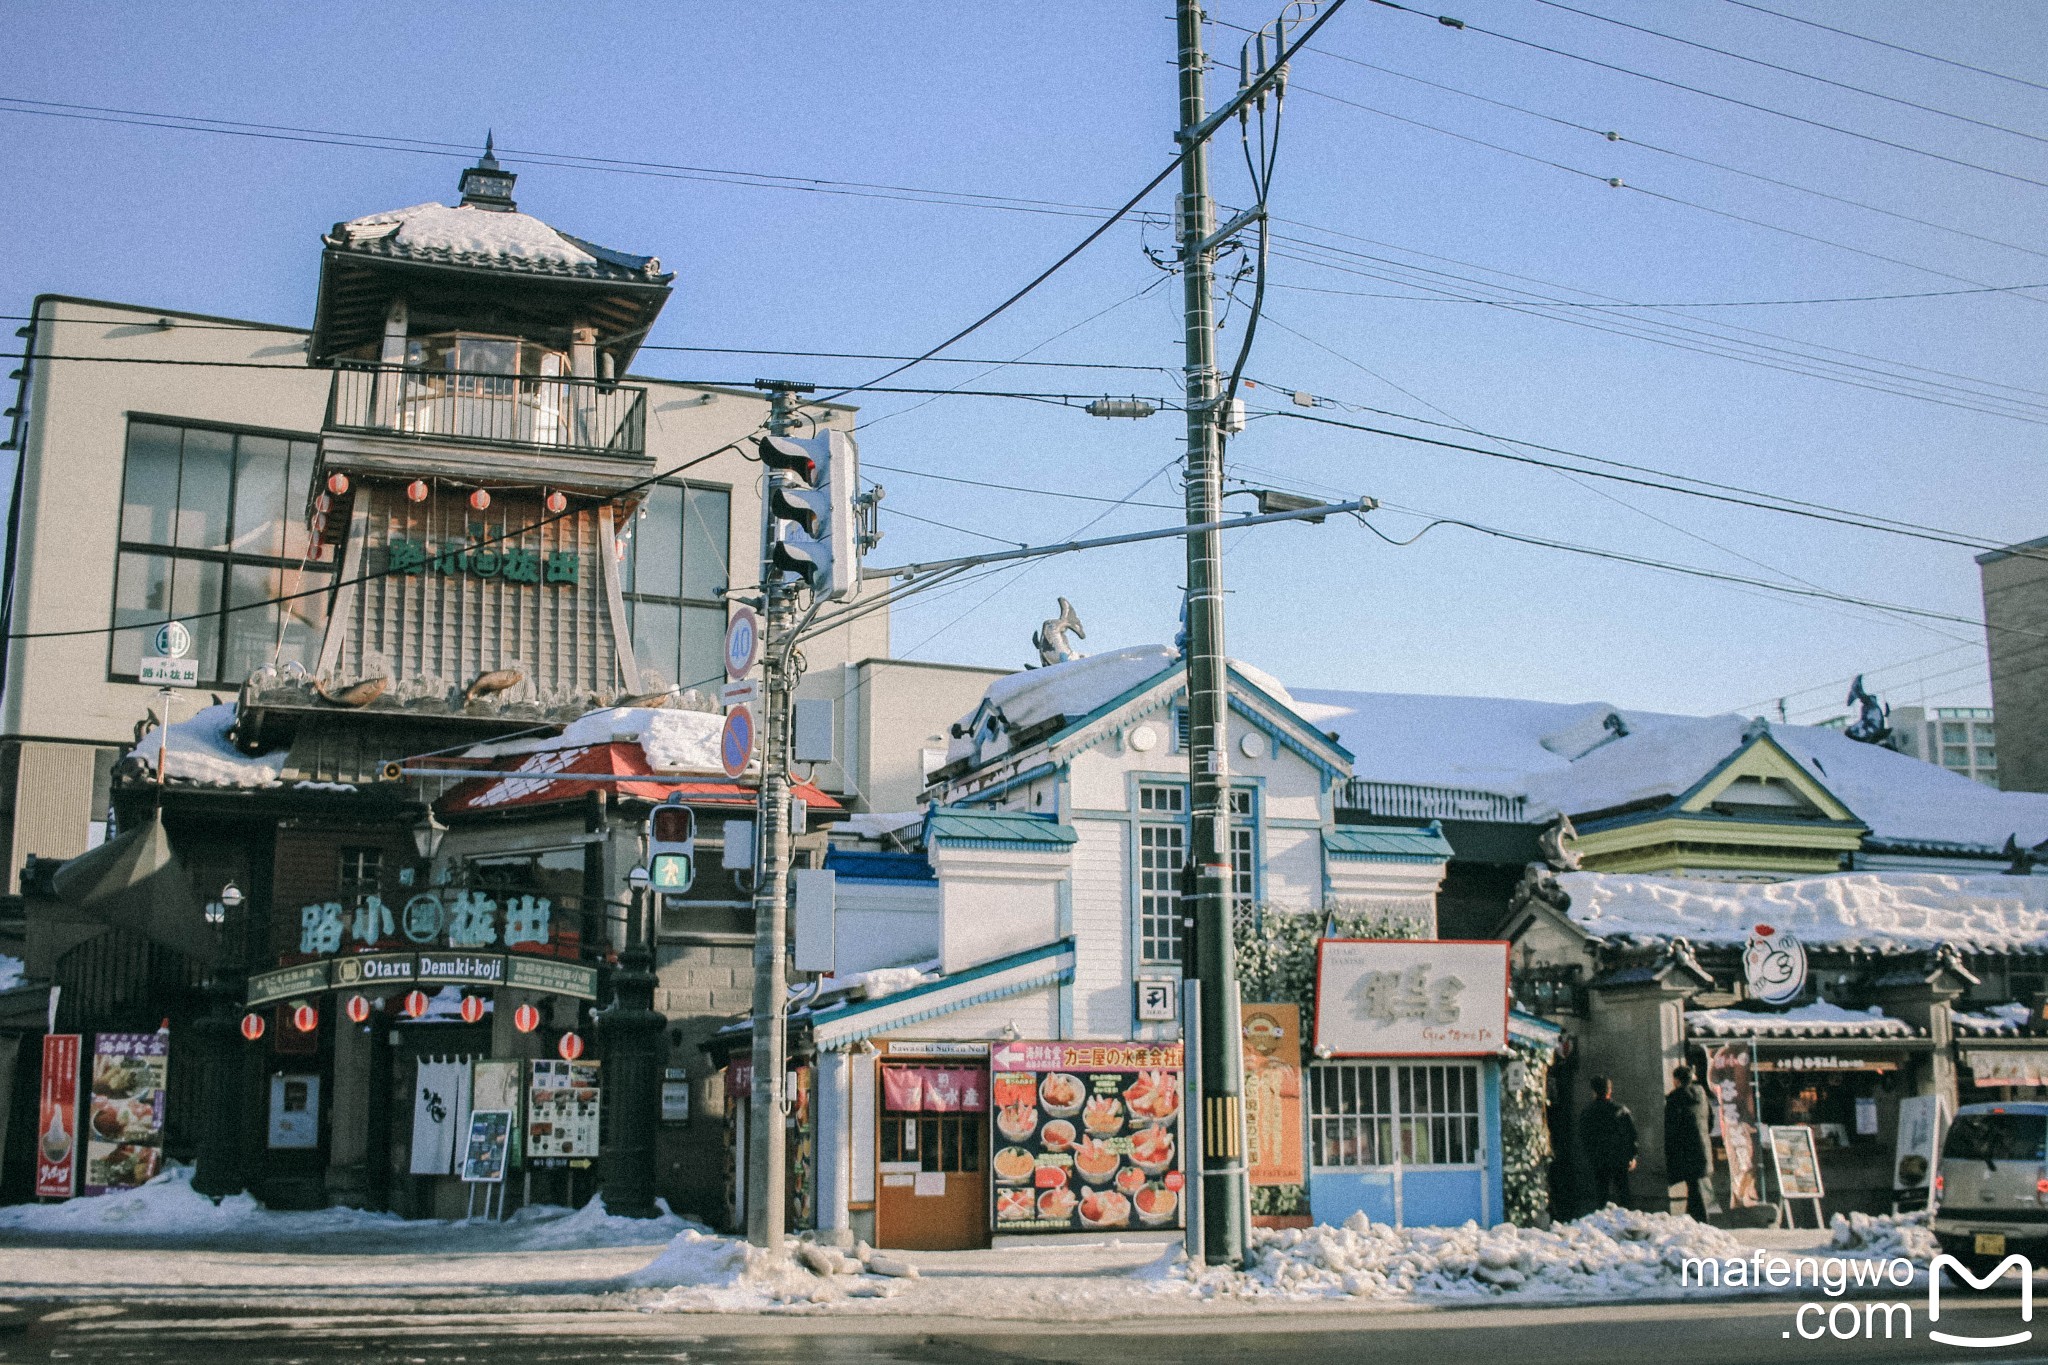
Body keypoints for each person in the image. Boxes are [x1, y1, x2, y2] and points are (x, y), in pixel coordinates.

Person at [1664, 1063, 1715, 1220]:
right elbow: (1711, 1121)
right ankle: (1694, 1222)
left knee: (1694, 1189)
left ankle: (1701, 1224)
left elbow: (1671, 1129)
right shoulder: (1702, 1096)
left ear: (1677, 1080)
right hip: (1703, 1148)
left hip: (1686, 1151)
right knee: (1696, 1187)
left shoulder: (1675, 1099)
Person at [1579, 1074, 1638, 1209]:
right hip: (1619, 1158)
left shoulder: (1588, 1112)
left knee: (1601, 1194)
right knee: (1624, 1194)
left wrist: (1591, 1155)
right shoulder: (1621, 1110)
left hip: (1599, 1159)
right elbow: (1631, 1135)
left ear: (1593, 1092)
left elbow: (1585, 1137)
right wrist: (1632, 1156)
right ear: (1609, 1091)